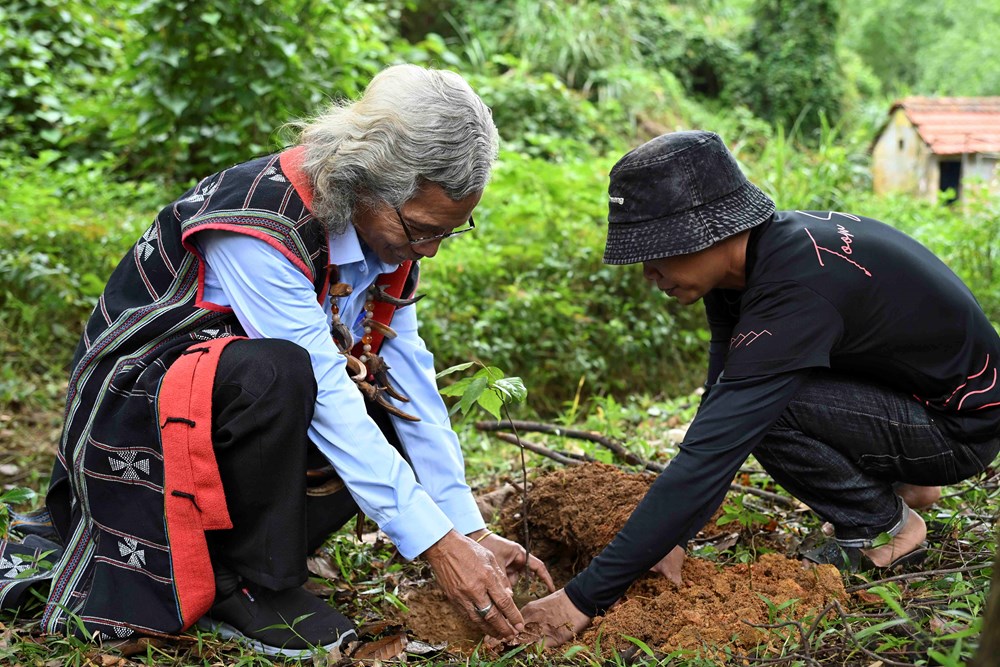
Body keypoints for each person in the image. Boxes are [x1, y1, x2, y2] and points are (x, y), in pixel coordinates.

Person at [0, 64, 553, 658]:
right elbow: (320, 385)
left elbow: (410, 372)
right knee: (280, 373)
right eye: (420, 230)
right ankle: (246, 584)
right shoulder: (258, 222)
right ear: (364, 178)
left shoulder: (387, 239)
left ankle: (251, 555)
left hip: (225, 413)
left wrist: (466, 526)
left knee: (383, 391)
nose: (430, 251)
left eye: (449, 231)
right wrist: (437, 546)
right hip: (139, 413)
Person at [520, 130, 1000, 646]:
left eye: (659, 251)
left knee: (770, 410)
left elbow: (720, 444)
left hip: (961, 429)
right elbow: (718, 402)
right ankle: (908, 482)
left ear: (711, 232)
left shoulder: (795, 288)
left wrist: (581, 599)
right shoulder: (754, 264)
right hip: (927, 402)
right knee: (746, 401)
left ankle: (885, 527)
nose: (649, 273)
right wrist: (673, 532)